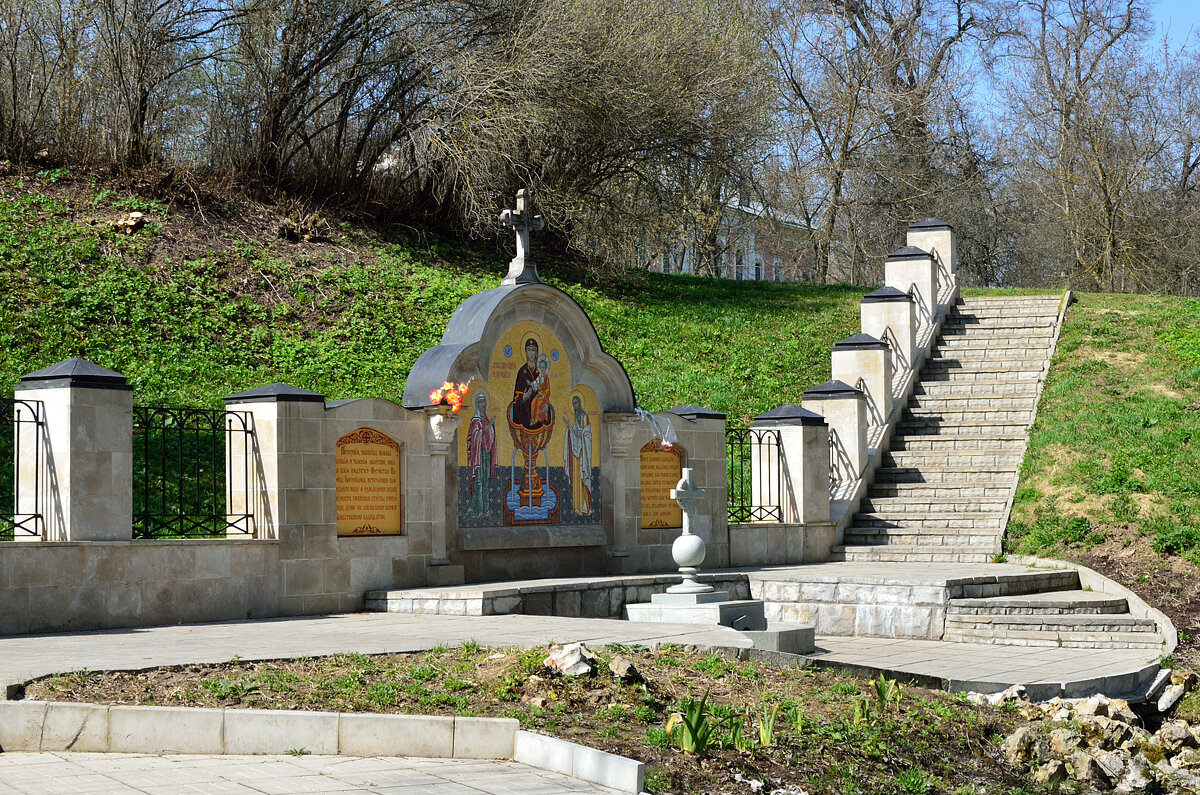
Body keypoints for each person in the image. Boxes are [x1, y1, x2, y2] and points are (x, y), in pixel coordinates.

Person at [466, 391, 496, 517]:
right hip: (478, 454)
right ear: (477, 404)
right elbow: (474, 436)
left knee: (486, 481)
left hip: (486, 453)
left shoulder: (486, 418)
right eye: (481, 401)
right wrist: (487, 427)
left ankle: (486, 509)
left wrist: (490, 428)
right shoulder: (476, 419)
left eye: (484, 401)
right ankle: (478, 510)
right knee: (478, 481)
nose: (483, 404)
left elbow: (491, 436)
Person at [563, 394, 593, 514]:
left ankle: (587, 508)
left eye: (576, 403)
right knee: (575, 480)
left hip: (582, 454)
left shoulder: (584, 417)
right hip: (575, 455)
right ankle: (577, 507)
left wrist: (569, 427)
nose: (575, 406)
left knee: (583, 478)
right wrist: (569, 427)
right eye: (573, 404)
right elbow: (574, 433)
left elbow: (584, 434)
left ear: (580, 403)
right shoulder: (575, 418)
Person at [512, 338, 549, 430]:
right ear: (525, 352)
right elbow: (516, 397)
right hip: (525, 416)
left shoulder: (542, 370)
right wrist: (523, 397)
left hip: (539, 410)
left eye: (533, 350)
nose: (531, 353)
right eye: (529, 350)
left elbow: (547, 391)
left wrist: (547, 406)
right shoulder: (522, 372)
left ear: (537, 352)